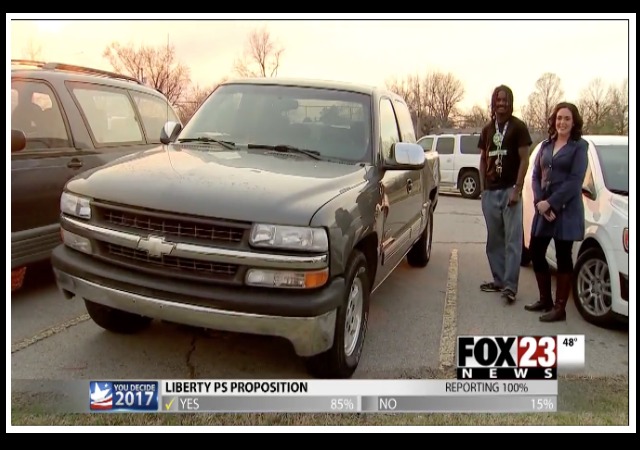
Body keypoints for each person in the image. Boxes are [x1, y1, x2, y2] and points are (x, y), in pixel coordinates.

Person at [524, 102, 588, 322]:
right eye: (559, 118)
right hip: (544, 208)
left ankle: (560, 309)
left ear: (574, 122)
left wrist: (552, 203)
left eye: (567, 118)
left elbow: (574, 181)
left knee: (563, 257)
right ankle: (545, 300)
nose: (562, 122)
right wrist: (540, 202)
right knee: (535, 251)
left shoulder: (580, 147)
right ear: (554, 120)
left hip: (566, 211)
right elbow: (535, 176)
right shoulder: (545, 145)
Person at [478, 85, 532, 304]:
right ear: (493, 103)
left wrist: (517, 189)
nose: (502, 103)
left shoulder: (519, 127)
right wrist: (482, 189)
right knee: (494, 240)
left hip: (510, 190)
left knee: (512, 241)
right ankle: (499, 280)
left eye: (505, 100)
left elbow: (524, 159)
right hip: (490, 191)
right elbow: (483, 159)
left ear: (511, 102)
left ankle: (510, 286)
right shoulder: (487, 128)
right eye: (498, 100)